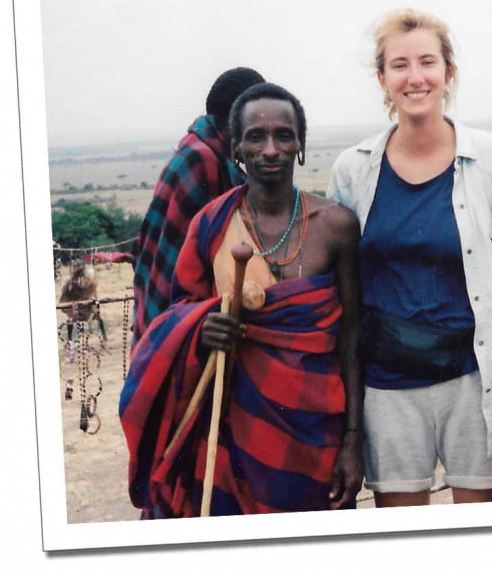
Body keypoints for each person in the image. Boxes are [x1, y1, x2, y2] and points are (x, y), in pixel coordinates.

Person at [120, 83, 364, 517]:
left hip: (316, 429)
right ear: (236, 148)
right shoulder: (210, 226)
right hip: (231, 427)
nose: (270, 149)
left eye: (283, 135)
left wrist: (352, 443)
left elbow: (352, 338)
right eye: (256, 136)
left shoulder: (337, 225)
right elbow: (176, 319)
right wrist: (202, 328)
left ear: (300, 146)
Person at [327, 9, 492, 507]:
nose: (415, 77)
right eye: (399, 65)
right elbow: (337, 282)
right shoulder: (352, 170)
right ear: (382, 79)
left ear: (448, 72)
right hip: (388, 387)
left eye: (427, 62)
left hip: (474, 381)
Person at [132, 67, 265, 347]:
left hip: (170, 310)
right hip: (173, 312)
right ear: (237, 117)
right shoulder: (202, 160)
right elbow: (198, 256)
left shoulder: (202, 148)